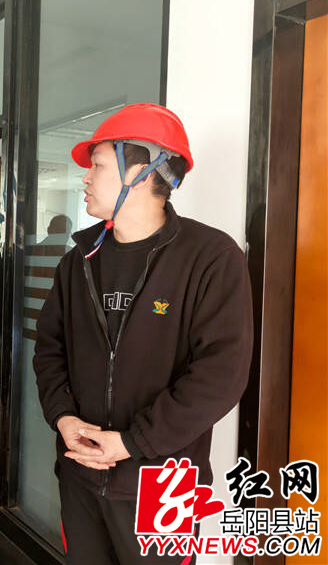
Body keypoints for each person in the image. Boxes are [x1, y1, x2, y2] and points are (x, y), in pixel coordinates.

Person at [33, 103, 253, 563]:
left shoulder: (210, 257)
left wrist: (132, 442)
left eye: (96, 165)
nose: (85, 178)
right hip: (81, 476)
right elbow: (51, 349)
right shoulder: (79, 260)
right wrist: (63, 417)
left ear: (140, 171)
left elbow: (221, 375)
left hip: (165, 485)